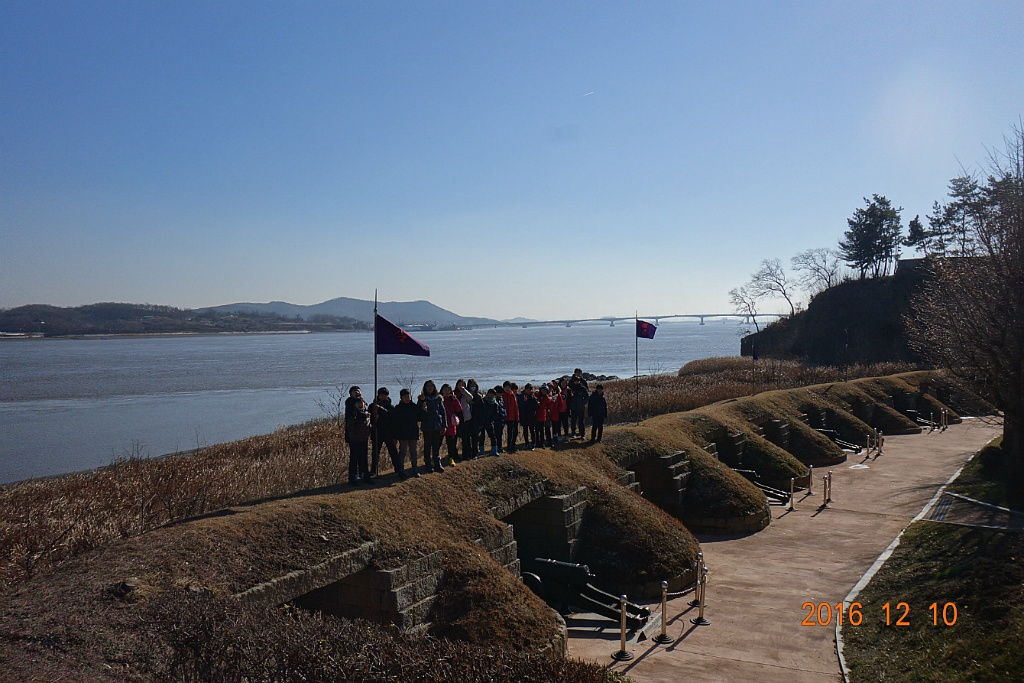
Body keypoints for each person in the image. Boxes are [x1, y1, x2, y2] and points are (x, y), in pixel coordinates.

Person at [418, 380, 446, 473]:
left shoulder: (438, 398)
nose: (429, 388)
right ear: (425, 388)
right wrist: (422, 407)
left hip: (437, 425)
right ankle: (428, 464)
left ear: (434, 387)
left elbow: (442, 412)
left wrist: (444, 425)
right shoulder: (423, 399)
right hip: (427, 426)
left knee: (436, 445)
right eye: (427, 386)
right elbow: (419, 414)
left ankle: (437, 463)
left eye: (431, 386)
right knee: (427, 445)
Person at [369, 387, 399, 477]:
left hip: (388, 432)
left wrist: (395, 436)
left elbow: (392, 418)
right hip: (377, 432)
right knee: (375, 452)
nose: (383, 397)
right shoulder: (372, 406)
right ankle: (373, 471)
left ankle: (398, 469)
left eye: (385, 395)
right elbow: (369, 420)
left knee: (393, 451)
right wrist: (374, 417)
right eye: (381, 395)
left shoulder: (390, 406)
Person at [391, 388, 421, 477]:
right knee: (402, 452)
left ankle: (415, 469)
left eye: (408, 396)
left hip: (413, 432)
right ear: (401, 398)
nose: (407, 398)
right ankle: (401, 470)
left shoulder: (414, 406)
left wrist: (423, 409)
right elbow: (394, 423)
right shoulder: (398, 408)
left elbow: (420, 417)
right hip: (402, 434)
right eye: (405, 397)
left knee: (414, 452)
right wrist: (395, 436)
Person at [346, 397, 372, 485]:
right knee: (354, 459)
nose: (360, 405)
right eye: (358, 403)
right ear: (355, 405)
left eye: (362, 403)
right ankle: (353, 478)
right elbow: (349, 427)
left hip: (364, 440)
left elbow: (367, 426)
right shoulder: (354, 414)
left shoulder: (367, 414)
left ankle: (365, 476)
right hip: (355, 440)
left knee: (364, 459)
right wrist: (353, 418)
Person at [441, 383, 462, 467]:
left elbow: (459, 409)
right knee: (437, 443)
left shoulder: (453, 399)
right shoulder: (440, 400)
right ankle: (435, 459)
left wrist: (455, 400)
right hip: (441, 424)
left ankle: (451, 458)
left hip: (451, 424)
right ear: (442, 391)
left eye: (448, 390)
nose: (447, 392)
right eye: (445, 390)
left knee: (451, 444)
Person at [483, 388, 503, 456]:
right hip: (482, 421)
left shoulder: (495, 403)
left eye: (493, 394)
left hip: (490, 421)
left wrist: (491, 419)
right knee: (481, 437)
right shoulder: (483, 401)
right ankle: (481, 450)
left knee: (493, 436)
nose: (491, 395)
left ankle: (494, 450)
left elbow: (496, 413)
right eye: (490, 393)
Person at [502, 381, 520, 453]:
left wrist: (517, 417)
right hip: (504, 417)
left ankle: (511, 445)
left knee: (511, 432)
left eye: (508, 387)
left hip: (512, 417)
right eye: (505, 387)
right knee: (500, 432)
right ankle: (499, 447)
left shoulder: (512, 395)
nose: (507, 389)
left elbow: (516, 407)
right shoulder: (502, 395)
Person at [520, 384, 538, 451]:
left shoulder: (533, 397)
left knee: (532, 430)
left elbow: (537, 406)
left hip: (532, 416)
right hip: (524, 416)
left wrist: (533, 400)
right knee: (525, 430)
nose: (528, 391)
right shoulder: (522, 396)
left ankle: (533, 444)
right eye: (527, 389)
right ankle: (526, 443)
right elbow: (521, 407)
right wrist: (525, 402)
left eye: (530, 389)